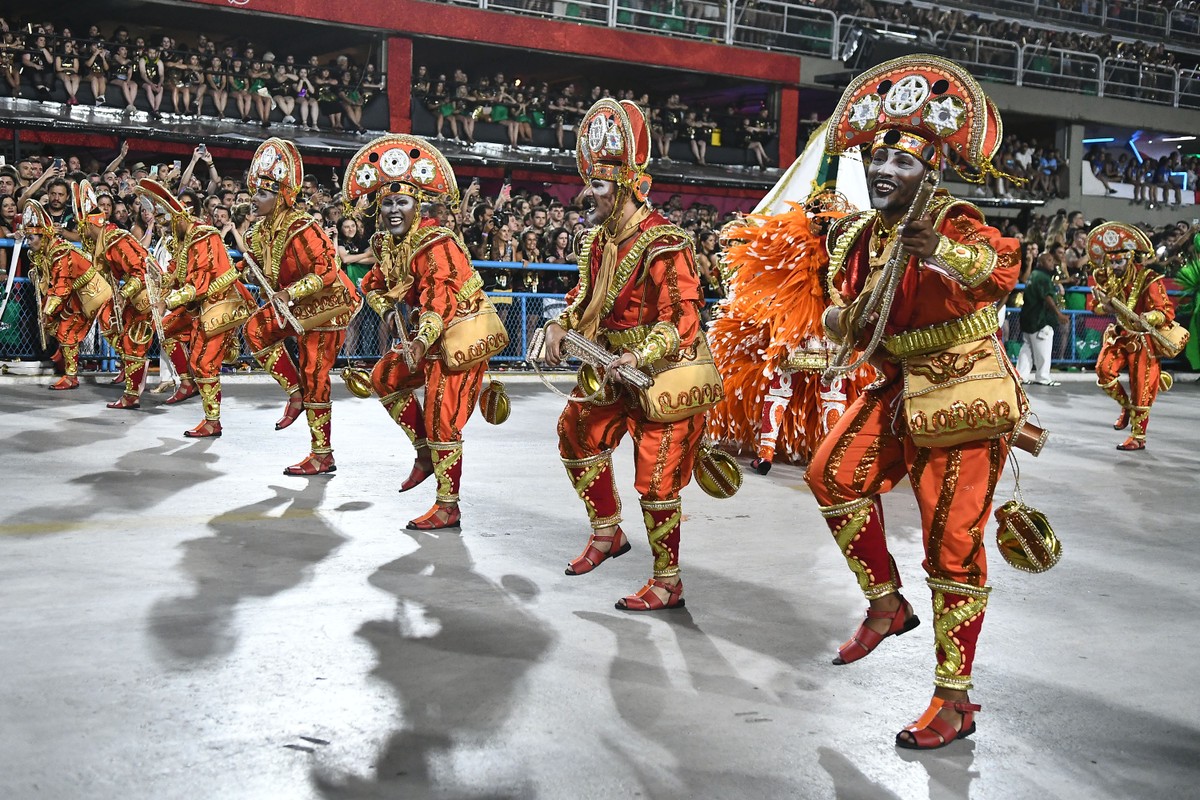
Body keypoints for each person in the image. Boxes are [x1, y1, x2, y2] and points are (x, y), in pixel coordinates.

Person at [807, 56, 1026, 750]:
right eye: (876, 160)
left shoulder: (954, 222)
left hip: (961, 396)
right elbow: (840, 313)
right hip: (899, 387)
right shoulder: (862, 236)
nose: (882, 172)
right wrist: (846, 321)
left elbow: (1006, 273)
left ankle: (953, 698)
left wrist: (942, 255)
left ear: (930, 173)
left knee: (951, 547)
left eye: (900, 164)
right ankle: (886, 604)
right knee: (831, 475)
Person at [541, 98, 715, 611]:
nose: (585, 194)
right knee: (575, 434)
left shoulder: (664, 242)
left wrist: (641, 356)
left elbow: (683, 319)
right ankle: (607, 533)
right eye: (588, 182)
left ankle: (668, 581)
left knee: (656, 479)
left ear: (625, 188)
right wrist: (559, 322)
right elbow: (582, 298)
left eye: (597, 185)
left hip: (663, 375)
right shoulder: (597, 241)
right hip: (610, 369)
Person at [343, 134, 508, 529]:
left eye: (402, 202)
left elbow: (440, 300)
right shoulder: (386, 243)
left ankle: (448, 505)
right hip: (427, 337)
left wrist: (418, 338)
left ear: (418, 206)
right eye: (387, 202)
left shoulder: (436, 242)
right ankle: (424, 453)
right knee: (385, 377)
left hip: (461, 335)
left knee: (441, 417)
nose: (394, 209)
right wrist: (386, 313)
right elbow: (373, 284)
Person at [708, 187, 870, 473]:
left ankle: (766, 453)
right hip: (833, 330)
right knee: (833, 392)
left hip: (796, 328)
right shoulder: (850, 251)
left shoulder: (799, 242)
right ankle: (828, 456)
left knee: (779, 389)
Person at [241, 138, 359, 475]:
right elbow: (266, 270)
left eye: (263, 194)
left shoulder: (304, 227)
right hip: (293, 303)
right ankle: (294, 393)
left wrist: (290, 293)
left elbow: (327, 270)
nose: (255, 199)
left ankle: (322, 452)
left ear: (280, 197)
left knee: (314, 372)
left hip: (327, 303)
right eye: (255, 192)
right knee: (256, 330)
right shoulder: (257, 234)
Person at [138, 178, 254, 437]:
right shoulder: (182, 238)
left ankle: (213, 421)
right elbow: (174, 276)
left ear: (178, 217)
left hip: (219, 304)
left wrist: (166, 301)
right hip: (196, 305)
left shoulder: (203, 236)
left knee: (203, 362)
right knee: (166, 330)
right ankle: (188, 383)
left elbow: (199, 285)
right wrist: (155, 286)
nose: (166, 230)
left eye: (167, 224)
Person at [1087, 222, 1179, 451]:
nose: (1115, 266)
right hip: (1120, 335)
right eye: (1112, 261)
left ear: (1130, 258)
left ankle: (1138, 437)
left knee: (1142, 388)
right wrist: (1105, 307)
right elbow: (1094, 306)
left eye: (1120, 261)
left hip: (1143, 340)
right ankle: (1126, 406)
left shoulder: (1150, 279)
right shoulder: (1106, 278)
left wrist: (1151, 317)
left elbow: (1167, 311)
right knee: (1104, 371)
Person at [73, 180, 156, 409]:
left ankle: (132, 394)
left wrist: (122, 295)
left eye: (83, 229)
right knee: (126, 340)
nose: (84, 235)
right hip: (138, 295)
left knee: (132, 343)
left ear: (90, 225)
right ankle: (135, 390)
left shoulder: (115, 239)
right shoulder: (105, 241)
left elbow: (140, 271)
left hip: (146, 295)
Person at [19, 199, 114, 389]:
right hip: (77, 294)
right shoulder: (46, 251)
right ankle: (65, 362)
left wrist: (48, 311)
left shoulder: (60, 254)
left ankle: (71, 376)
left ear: (44, 237)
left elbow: (61, 288)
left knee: (68, 331)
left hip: (92, 294)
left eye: (31, 238)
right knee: (58, 326)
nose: (28, 243)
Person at [1016, 253, 1069, 386]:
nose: (1052, 263)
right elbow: (1048, 298)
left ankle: (1021, 375)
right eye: (1049, 260)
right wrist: (1059, 314)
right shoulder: (1043, 277)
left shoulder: (1033, 275)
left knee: (1027, 348)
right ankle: (1043, 377)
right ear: (1041, 262)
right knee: (1043, 349)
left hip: (1027, 318)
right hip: (1040, 319)